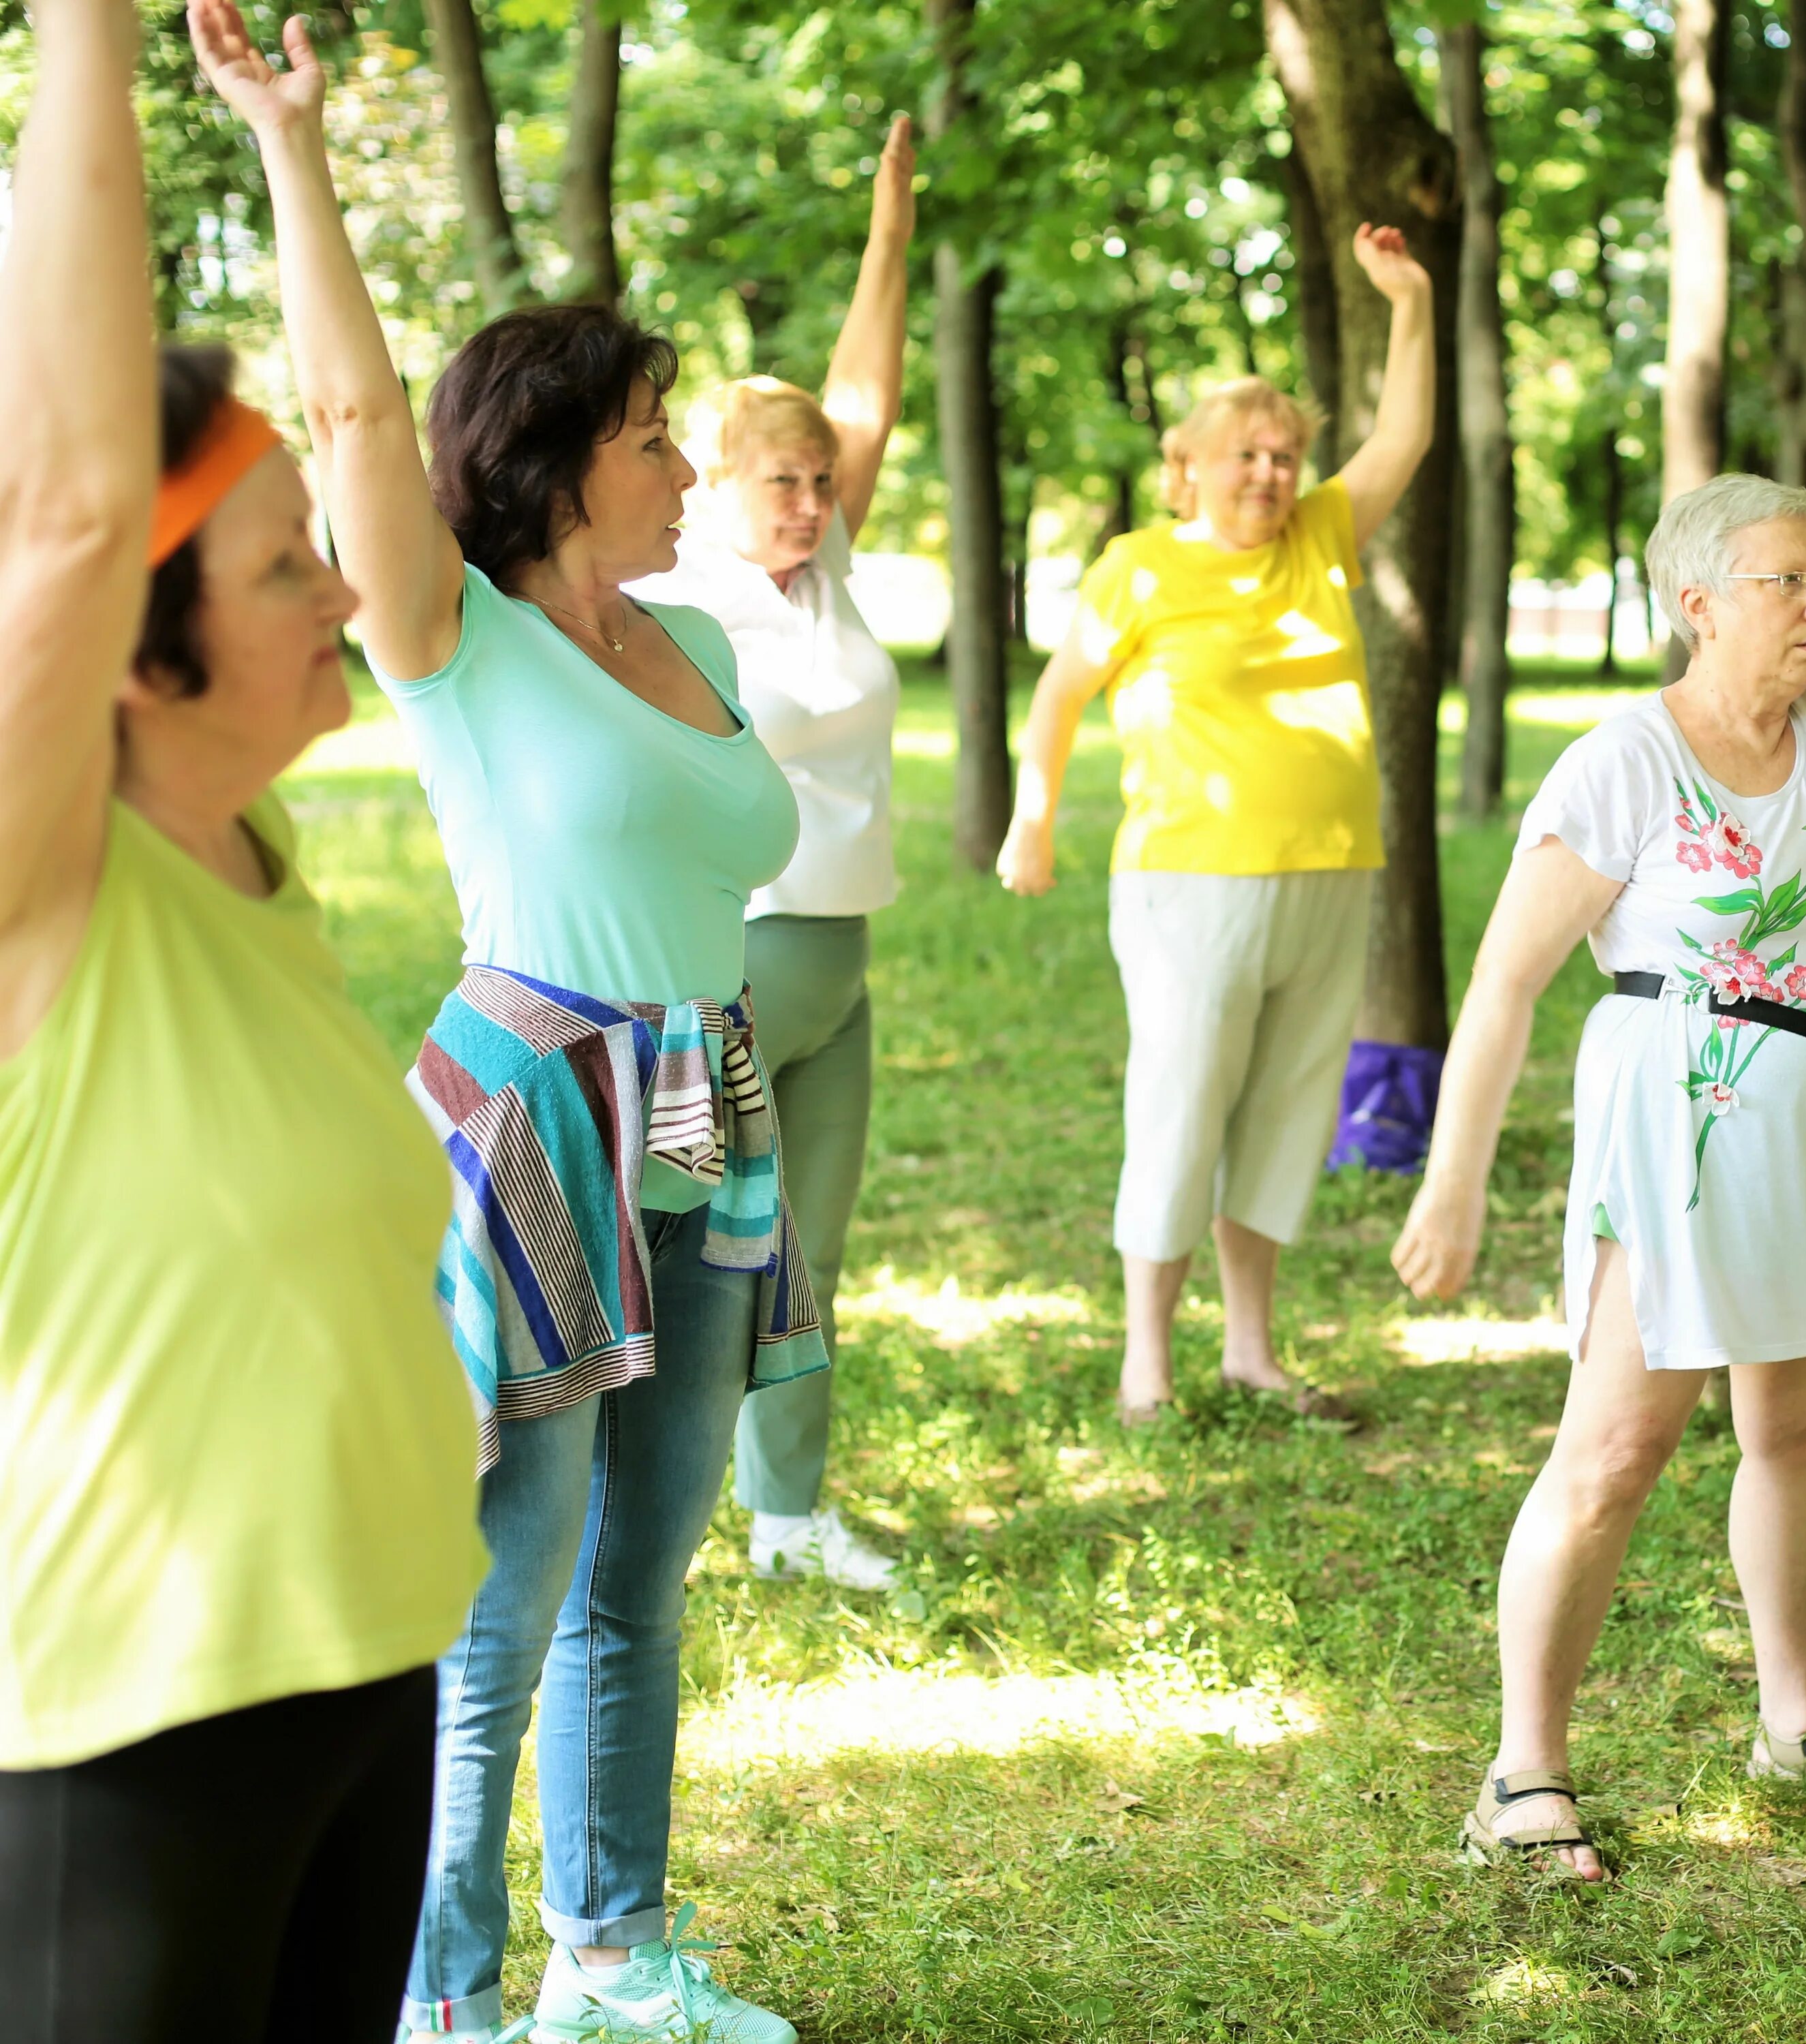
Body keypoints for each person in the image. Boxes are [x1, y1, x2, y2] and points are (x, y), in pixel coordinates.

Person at [189, 5, 822, 2039]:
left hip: (704, 1097)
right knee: (505, 1595)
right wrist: (294, 146)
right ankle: (442, 2005)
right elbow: (361, 428)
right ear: (556, 455)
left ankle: (614, 1961)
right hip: (537, 1097)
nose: (684, 463)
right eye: (655, 434)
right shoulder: (451, 640)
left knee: (646, 1575)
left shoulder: (703, 636)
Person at [0, 3, 486, 2036]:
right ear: (135, 654)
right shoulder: (42, 901)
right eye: (288, 574)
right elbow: (72, 503)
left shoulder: (245, 865)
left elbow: (369, 456)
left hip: (369, 1686)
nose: (345, 603)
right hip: (129, 1731)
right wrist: (88, 23)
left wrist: (292, 163)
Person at [1392, 199, 1806, 1880]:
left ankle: (1794, 1718)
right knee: (1619, 1450)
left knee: (1801, 1434)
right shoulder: (1623, 763)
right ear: (1697, 602)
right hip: (1684, 1124)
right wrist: (1453, 1185)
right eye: (1786, 580)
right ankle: (1521, 1775)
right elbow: (1503, 985)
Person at [997, 225, 1435, 1425]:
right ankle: (1149, 1359)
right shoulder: (1140, 567)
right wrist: (1033, 819)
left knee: (1289, 1117)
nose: (1271, 473)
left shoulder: (1323, 540)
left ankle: (1251, 1349)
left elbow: (1405, 436)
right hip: (1193, 884)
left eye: (1287, 454)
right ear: (1186, 466)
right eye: (1246, 453)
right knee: (1184, 1109)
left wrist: (1409, 302)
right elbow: (1061, 696)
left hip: (1333, 878)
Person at [626, 117, 915, 1594]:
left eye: (820, 478)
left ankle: (792, 1521)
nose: (810, 499)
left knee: (814, 1261)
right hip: (737, 958)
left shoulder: (826, 571)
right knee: (704, 1251)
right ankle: (644, 1518)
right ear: (720, 486)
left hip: (841, 959)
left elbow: (866, 392)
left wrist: (889, 229)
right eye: (781, 481)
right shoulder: (689, 592)